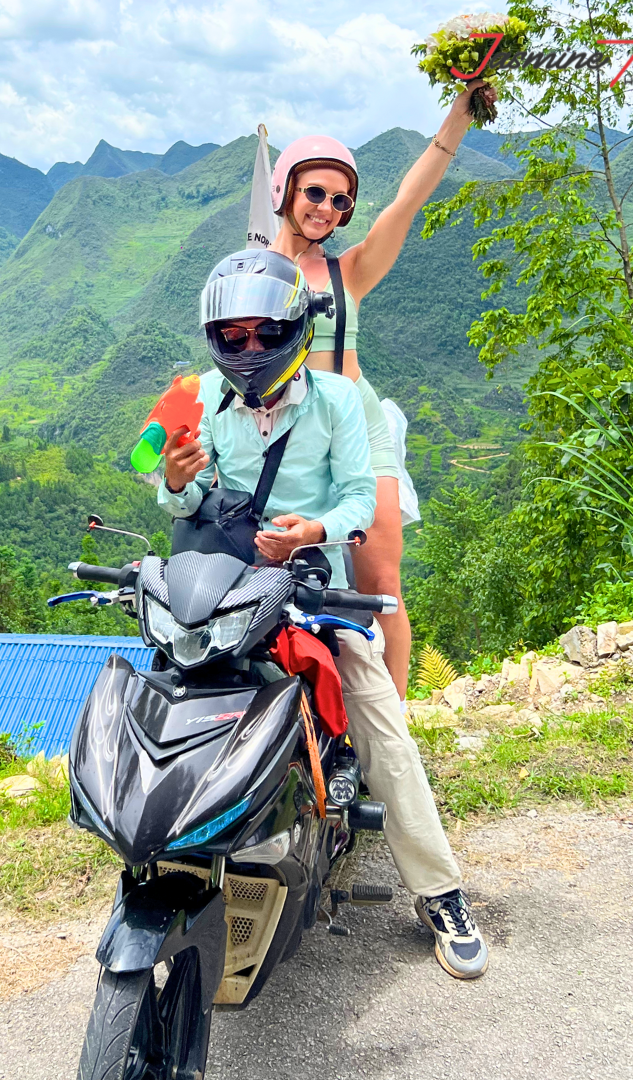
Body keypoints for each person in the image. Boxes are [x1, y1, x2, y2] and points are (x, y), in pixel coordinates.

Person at [158, 248, 488, 979]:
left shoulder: (341, 400)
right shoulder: (195, 394)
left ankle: (440, 893)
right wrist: (174, 485)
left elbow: (359, 502)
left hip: (312, 588)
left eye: (264, 335)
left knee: (379, 720)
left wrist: (313, 531)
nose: (247, 351)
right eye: (232, 337)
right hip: (225, 590)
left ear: (296, 331)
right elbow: (173, 490)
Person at [268, 80, 497, 699]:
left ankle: (392, 725)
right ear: (285, 190)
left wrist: (459, 114)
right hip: (284, 435)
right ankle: (294, 720)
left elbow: (407, 200)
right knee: (275, 581)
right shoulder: (251, 271)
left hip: (359, 429)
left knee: (381, 585)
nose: (326, 208)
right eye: (314, 192)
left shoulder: (349, 272)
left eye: (340, 201)